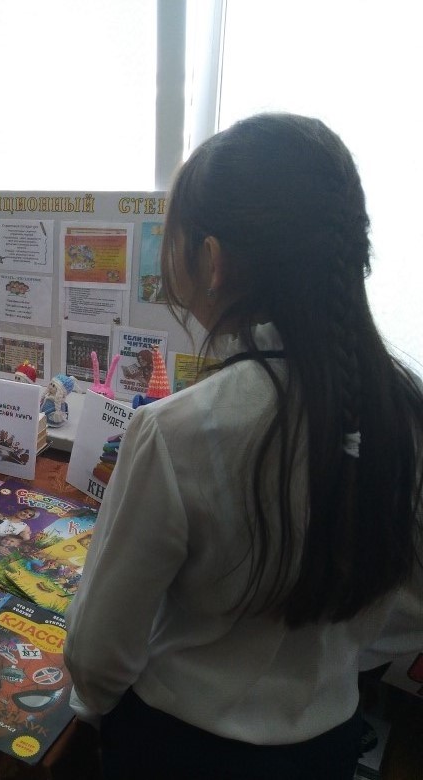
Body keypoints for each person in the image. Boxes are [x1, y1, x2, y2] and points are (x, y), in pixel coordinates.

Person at [63, 113, 423, 779]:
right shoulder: (405, 413)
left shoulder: (174, 432)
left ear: (212, 259)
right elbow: (411, 611)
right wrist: (331, 651)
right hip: (325, 748)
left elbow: (96, 660)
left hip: (177, 751)